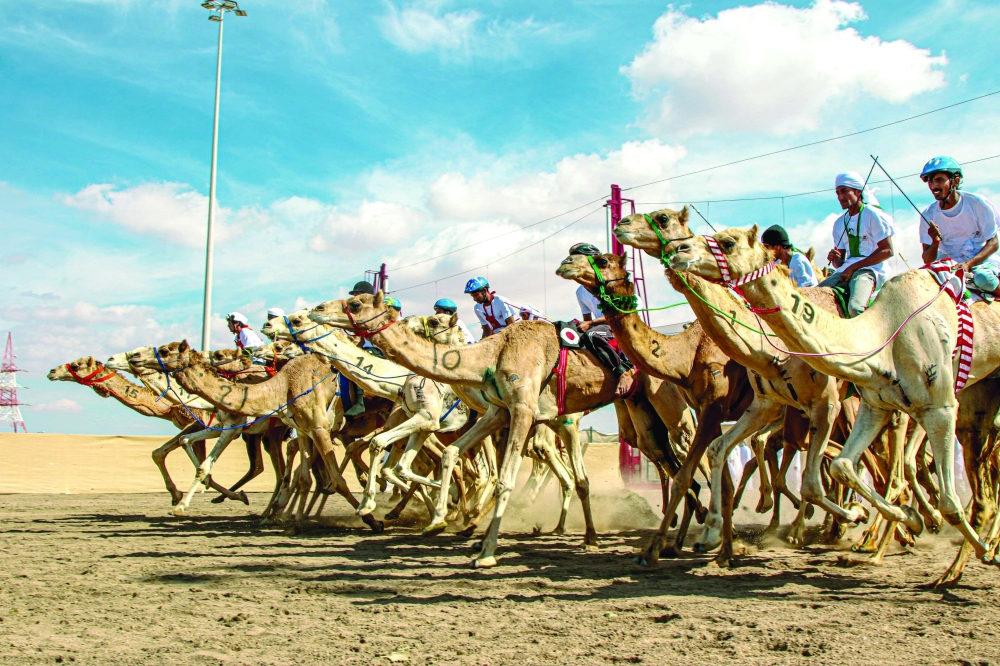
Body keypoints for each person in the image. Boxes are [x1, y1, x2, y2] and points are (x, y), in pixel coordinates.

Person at [919, 156, 1000, 299]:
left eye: (938, 180)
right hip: (950, 265)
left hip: (981, 261)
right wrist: (935, 241)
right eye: (930, 181)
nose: (933, 186)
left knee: (983, 279)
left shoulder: (977, 203)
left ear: (955, 181)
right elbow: (927, 259)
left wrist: (968, 265)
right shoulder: (928, 215)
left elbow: (993, 243)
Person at [818, 171, 895, 317]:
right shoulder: (839, 223)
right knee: (813, 298)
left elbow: (887, 251)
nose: (840, 197)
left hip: (871, 270)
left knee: (855, 308)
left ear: (858, 192)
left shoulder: (873, 214)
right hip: (846, 270)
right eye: (837, 193)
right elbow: (840, 264)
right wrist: (836, 259)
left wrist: (854, 267)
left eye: (844, 191)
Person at [568, 242, 608, 332]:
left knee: (592, 335)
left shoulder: (610, 284)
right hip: (601, 327)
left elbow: (616, 315)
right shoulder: (580, 292)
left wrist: (590, 323)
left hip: (619, 327)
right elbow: (587, 319)